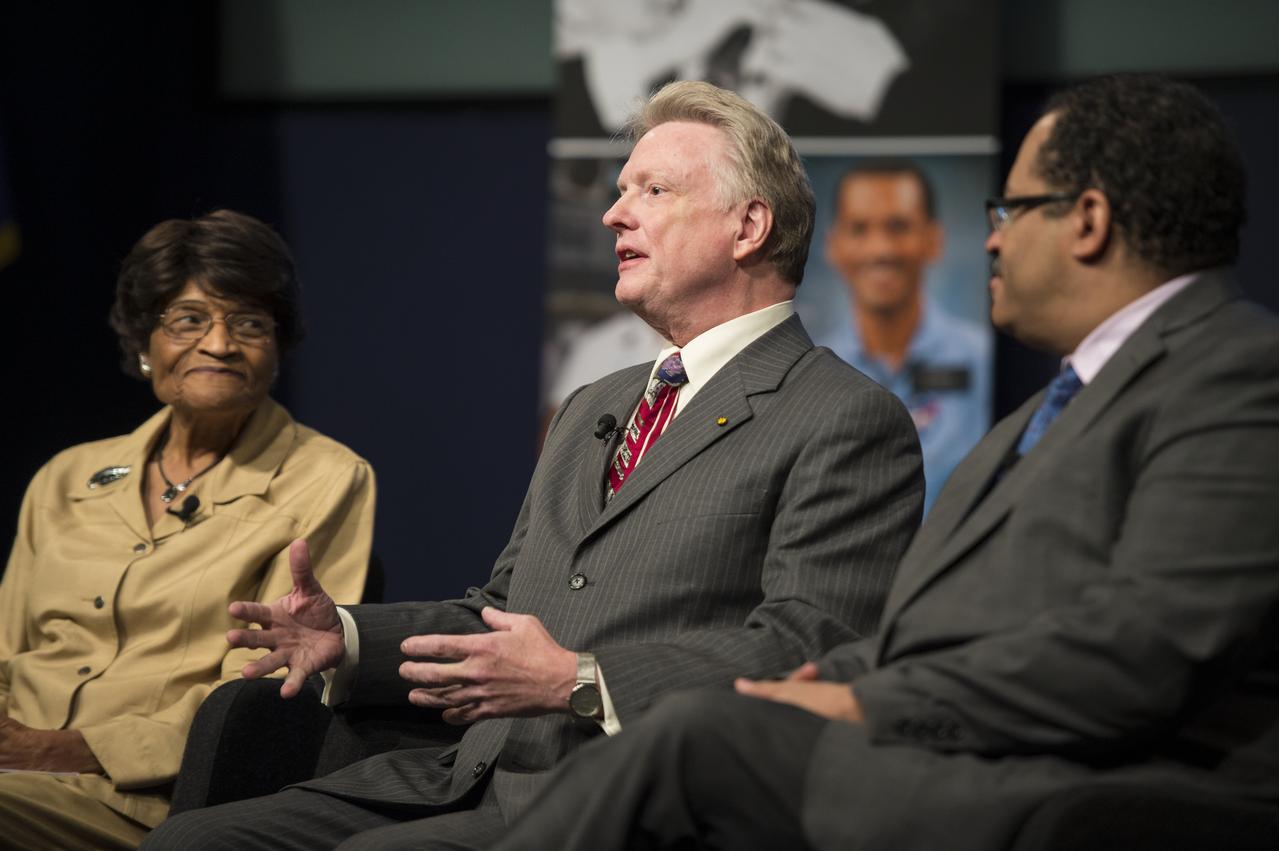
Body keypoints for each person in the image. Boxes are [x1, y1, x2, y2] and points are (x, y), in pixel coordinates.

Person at [487, 73, 1279, 851]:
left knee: (698, 735)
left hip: (1094, 788)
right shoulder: (1031, 421)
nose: (994, 237)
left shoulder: (1238, 374)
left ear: (1089, 222)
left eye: (1009, 209)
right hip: (960, 752)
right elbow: (929, 628)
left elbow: (1147, 646)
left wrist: (870, 701)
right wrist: (823, 682)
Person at [144, 81, 924, 849]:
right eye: (621, 191)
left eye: (653, 190)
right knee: (193, 840)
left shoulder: (843, 416)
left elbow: (808, 649)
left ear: (748, 225)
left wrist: (581, 680)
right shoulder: (592, 403)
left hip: (631, 793)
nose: (615, 213)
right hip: (476, 774)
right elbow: (498, 610)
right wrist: (346, 638)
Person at [0, 210, 374, 849]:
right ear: (145, 345)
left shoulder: (326, 478)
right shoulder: (65, 477)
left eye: (250, 323)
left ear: (277, 349)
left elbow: (262, 696)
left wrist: (64, 751)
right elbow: (7, 654)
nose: (221, 344)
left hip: (149, 804)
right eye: (189, 319)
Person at [818, 160, 990, 512]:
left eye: (898, 227)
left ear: (933, 240)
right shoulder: (811, 372)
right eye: (860, 229)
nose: (881, 249)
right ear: (834, 245)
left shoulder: (984, 360)